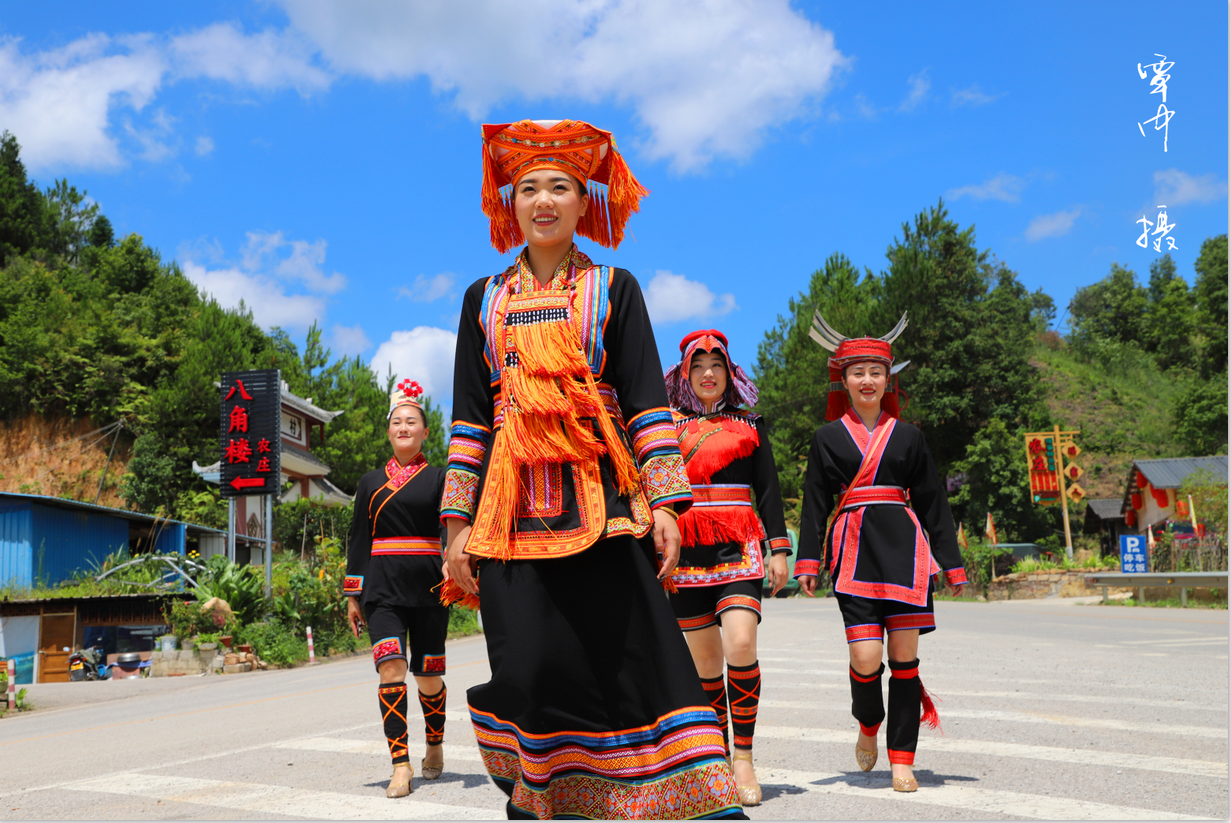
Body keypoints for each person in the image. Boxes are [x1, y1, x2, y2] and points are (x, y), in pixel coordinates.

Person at [440, 119, 744, 819]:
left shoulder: (615, 288)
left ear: (584, 202)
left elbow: (643, 401)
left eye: (559, 187)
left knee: (633, 658)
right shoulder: (481, 299)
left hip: (604, 503)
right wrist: (455, 524)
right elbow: (467, 418)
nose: (542, 200)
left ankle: (679, 798)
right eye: (527, 189)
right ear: (507, 204)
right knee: (530, 669)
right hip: (508, 515)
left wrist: (667, 504)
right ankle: (547, 801)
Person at [794, 313, 967, 793]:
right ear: (842, 379)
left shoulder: (909, 436)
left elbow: (933, 500)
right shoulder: (827, 438)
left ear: (888, 378)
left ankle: (902, 759)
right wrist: (807, 561)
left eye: (875, 372)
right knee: (867, 657)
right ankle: (868, 722)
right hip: (853, 554)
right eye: (857, 372)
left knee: (905, 661)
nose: (867, 380)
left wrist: (951, 564)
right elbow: (814, 502)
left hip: (906, 556)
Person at [663, 329, 792, 806]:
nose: (707, 374)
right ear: (684, 375)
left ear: (729, 372)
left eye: (716, 365)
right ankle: (716, 757)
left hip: (738, 544)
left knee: (740, 640)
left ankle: (743, 756)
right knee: (704, 664)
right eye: (697, 367)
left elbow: (770, 490)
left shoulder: (751, 422)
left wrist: (779, 549)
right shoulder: (664, 429)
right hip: (683, 551)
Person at [345, 379, 449, 798]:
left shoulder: (443, 478)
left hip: (430, 588)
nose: (404, 426)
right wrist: (354, 594)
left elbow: (451, 531)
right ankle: (401, 764)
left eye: (412, 421)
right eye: (397, 422)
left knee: (428, 676)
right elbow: (358, 539)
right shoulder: (370, 483)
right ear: (389, 432)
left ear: (425, 432)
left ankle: (436, 744)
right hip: (381, 591)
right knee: (392, 669)